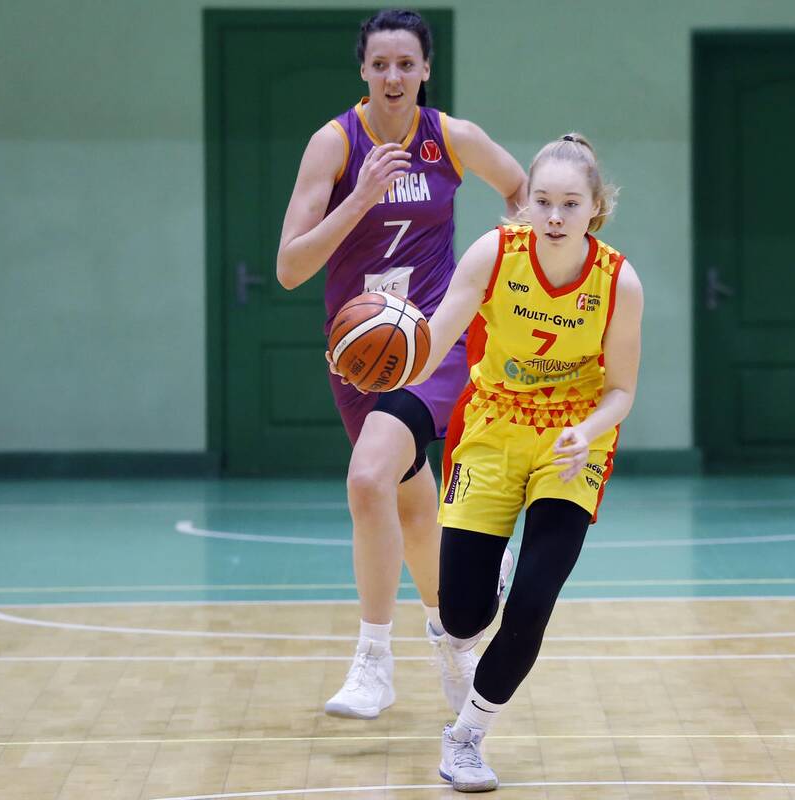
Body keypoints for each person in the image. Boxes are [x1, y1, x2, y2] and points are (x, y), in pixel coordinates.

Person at [276, 8, 526, 721]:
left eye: (406, 64)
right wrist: (360, 197)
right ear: (363, 69)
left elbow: (520, 189)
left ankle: (373, 660)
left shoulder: (451, 138)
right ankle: (454, 641)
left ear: (425, 70)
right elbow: (290, 267)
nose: (393, 76)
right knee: (414, 511)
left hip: (431, 341)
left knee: (366, 480)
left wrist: (503, 264)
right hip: (361, 352)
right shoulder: (333, 144)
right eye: (380, 63)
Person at [409, 133, 644, 792]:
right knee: (462, 617)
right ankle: (475, 596)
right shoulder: (494, 254)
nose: (555, 217)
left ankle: (466, 738)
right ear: (526, 204)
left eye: (570, 203)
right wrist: (380, 365)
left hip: (573, 444)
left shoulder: (618, 281)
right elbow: (434, 342)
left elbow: (622, 390)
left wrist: (587, 431)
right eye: (542, 201)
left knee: (535, 602)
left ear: (596, 207)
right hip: (492, 427)